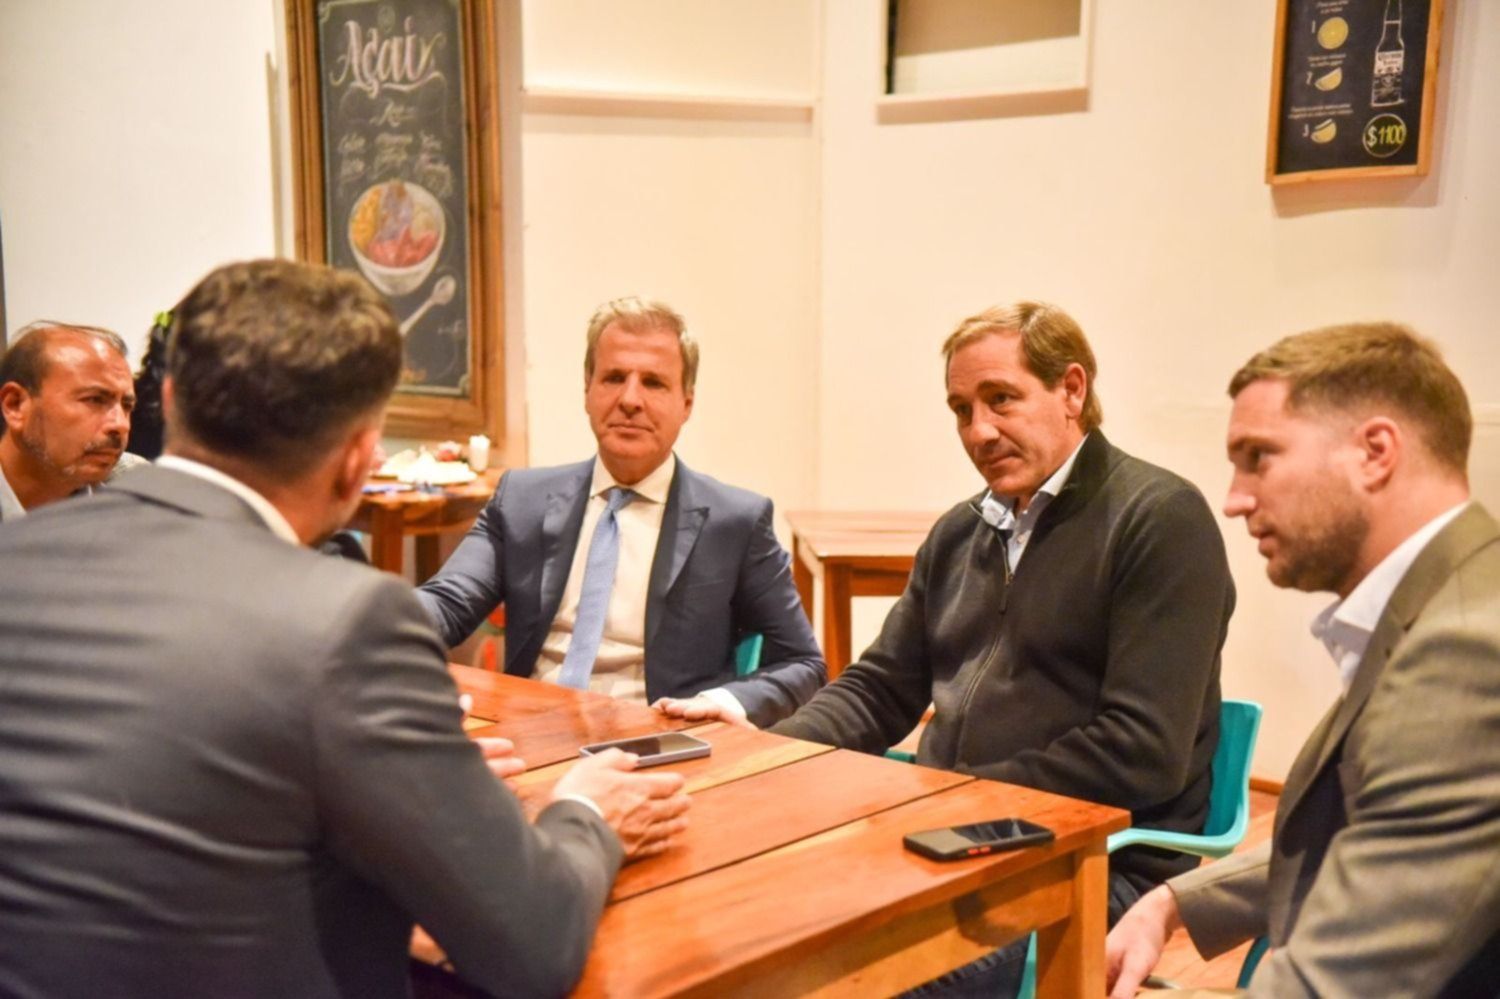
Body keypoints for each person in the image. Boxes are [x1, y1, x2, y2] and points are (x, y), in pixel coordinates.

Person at [0, 260, 690, 998]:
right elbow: (533, 945)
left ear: (168, 401)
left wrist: (397, 785)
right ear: (361, 455)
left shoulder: (19, 559)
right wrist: (585, 812)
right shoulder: (349, 620)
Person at [739, 301, 1234, 995]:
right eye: (961, 409)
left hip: (1089, 856)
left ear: (1071, 390)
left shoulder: (1158, 519)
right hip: (952, 833)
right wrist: (766, 760)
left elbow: (1141, 749)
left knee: (843, 976)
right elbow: (879, 688)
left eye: (1001, 398)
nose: (979, 430)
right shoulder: (959, 531)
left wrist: (954, 796)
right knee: (751, 926)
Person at [1106, 323, 1500, 998]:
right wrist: (1170, 902)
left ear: (1375, 452)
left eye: (1258, 456)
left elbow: (1339, 981)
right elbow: (1374, 834)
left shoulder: (1464, 649)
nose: (1234, 499)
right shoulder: (1451, 597)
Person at [418, 296, 825, 727]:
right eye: (614, 378)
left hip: (660, 738)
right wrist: (379, 622)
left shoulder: (736, 522)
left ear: (687, 403)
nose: (630, 399)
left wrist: (723, 701)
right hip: (526, 729)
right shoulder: (521, 499)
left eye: (653, 383)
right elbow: (448, 602)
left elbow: (802, 663)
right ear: (588, 391)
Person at [0, 320, 134, 521]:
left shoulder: (133, 491)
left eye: (127, 406)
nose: (120, 424)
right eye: (94, 400)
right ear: (15, 405)